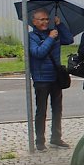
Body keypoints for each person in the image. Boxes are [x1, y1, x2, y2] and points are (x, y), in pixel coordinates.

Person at [28, 9, 74, 151]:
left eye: (47, 19)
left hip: (55, 78)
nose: (45, 22)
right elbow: (38, 53)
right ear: (34, 22)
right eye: (41, 19)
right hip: (41, 78)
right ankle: (40, 141)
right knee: (41, 110)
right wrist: (50, 38)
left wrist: (60, 26)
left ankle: (56, 138)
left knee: (57, 109)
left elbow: (69, 39)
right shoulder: (31, 36)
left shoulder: (55, 33)